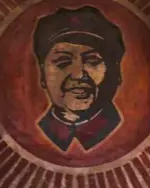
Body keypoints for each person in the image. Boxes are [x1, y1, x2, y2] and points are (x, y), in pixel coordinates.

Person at [33, 6, 126, 152]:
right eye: (62, 62)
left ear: (117, 71)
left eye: (92, 61)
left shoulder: (124, 130)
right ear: (42, 74)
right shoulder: (38, 133)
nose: (78, 75)